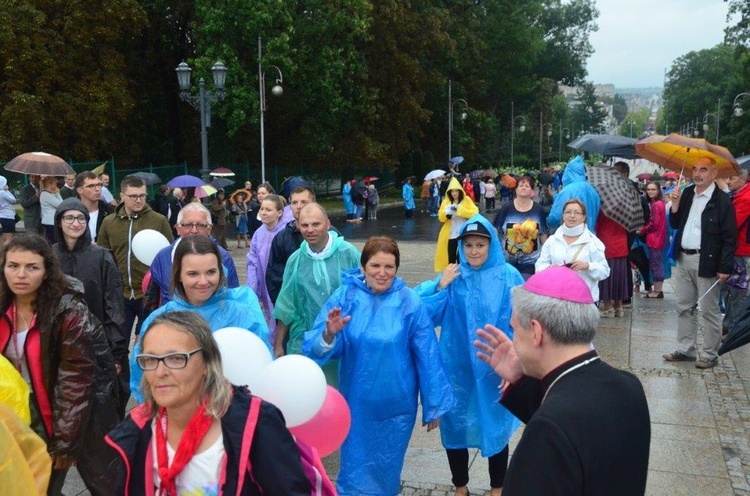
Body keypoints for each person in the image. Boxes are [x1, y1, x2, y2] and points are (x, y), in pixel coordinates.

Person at [473, 266, 650, 495]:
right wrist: (521, 379)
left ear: (536, 332)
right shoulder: (630, 385)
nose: (513, 341)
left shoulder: (547, 429)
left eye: (514, 330)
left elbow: (563, 426)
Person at [303, 236, 455, 496]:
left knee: (386, 471)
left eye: (389, 267)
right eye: (375, 266)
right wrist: (329, 333)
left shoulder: (409, 302)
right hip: (357, 404)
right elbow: (314, 349)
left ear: (397, 269)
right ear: (363, 267)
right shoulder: (346, 296)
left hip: (396, 407)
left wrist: (434, 404)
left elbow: (427, 353)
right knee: (353, 470)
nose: (382, 273)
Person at [108, 311, 312, 494]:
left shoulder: (255, 423)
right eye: (151, 360)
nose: (160, 372)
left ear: (207, 362)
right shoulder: (137, 429)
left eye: (176, 358)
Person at [0, 235, 120, 495]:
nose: (21, 274)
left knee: (44, 486)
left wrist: (65, 442)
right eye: (13, 266)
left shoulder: (68, 313)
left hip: (52, 415)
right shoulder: (2, 306)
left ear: (46, 272)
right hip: (10, 414)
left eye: (32, 267)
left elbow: (74, 380)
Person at [416, 217, 523, 496]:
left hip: (495, 367)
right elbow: (420, 311)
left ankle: (497, 487)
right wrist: (439, 284)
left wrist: (515, 362)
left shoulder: (508, 276)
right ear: (461, 247)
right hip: (457, 366)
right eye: (469, 245)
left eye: (480, 245)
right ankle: (460, 486)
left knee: (496, 426)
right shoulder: (454, 276)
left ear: (491, 246)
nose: (474, 251)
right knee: (455, 426)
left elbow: (521, 320)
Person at [131, 235, 269, 402]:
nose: (203, 281)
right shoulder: (160, 320)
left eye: (211, 272)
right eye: (193, 274)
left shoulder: (242, 315)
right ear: (179, 275)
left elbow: (262, 367)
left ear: (220, 271)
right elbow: (143, 377)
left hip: (232, 415)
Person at [52, 198, 130, 417]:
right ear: (59, 222)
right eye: (69, 218)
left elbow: (114, 305)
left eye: (81, 218)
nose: (75, 223)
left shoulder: (102, 257)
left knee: (103, 404)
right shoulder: (50, 257)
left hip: (99, 343)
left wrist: (116, 353)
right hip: (62, 342)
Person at [273, 203, 360, 385]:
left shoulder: (348, 253)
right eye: (304, 225)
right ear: (298, 226)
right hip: (304, 340)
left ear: (328, 224)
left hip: (343, 338)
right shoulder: (296, 260)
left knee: (341, 393)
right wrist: (278, 344)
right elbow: (286, 304)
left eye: (316, 224)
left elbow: (364, 293)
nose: (310, 230)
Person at [663, 157, 737, 369]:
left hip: (708, 261)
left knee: (708, 309)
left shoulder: (721, 200)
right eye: (695, 169)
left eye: (703, 170)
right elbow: (675, 224)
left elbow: (729, 237)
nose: (697, 173)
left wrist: (725, 267)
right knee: (684, 306)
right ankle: (685, 349)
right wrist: (674, 205)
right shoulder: (687, 193)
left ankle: (709, 353)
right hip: (684, 257)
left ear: (714, 174)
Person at [97, 175, 174, 339]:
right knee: (118, 344)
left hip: (150, 294)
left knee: (148, 342)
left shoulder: (159, 220)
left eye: (142, 195)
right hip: (120, 294)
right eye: (133, 196)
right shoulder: (109, 222)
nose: (139, 200)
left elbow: (169, 256)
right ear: (122, 196)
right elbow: (103, 257)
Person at [144, 202, 239, 309]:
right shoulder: (163, 257)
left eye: (200, 225)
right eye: (187, 225)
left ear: (209, 229)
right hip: (172, 321)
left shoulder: (223, 258)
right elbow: (151, 299)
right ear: (177, 228)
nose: (194, 231)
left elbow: (232, 298)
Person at [536, 199, 610, 302]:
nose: (572, 216)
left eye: (577, 213)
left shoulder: (593, 242)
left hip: (583, 300)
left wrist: (587, 266)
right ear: (563, 215)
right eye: (568, 212)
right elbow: (540, 264)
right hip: (556, 298)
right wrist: (549, 268)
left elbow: (604, 271)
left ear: (583, 217)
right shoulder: (552, 240)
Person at [266, 186, 317, 304]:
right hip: (293, 305)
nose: (299, 206)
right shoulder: (281, 239)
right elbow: (273, 277)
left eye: (304, 202)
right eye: (294, 202)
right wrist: (283, 312)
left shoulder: (330, 234)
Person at [247, 194, 288, 339]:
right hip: (265, 285)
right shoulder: (259, 233)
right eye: (262, 209)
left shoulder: (286, 234)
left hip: (282, 286)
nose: (263, 212)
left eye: (268, 210)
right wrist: (253, 289)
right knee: (269, 317)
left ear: (279, 213)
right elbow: (252, 262)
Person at [493, 175, 548, 278]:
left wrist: (547, 255)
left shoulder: (538, 210)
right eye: (521, 185)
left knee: (524, 288)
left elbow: (543, 234)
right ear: (516, 189)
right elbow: (495, 231)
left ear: (531, 190)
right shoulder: (506, 208)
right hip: (507, 261)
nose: (523, 187)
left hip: (531, 262)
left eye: (527, 186)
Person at [724, 168, 750, 332]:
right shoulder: (737, 195)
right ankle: (728, 325)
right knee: (732, 289)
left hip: (743, 250)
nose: (728, 181)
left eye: (731, 178)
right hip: (737, 250)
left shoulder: (746, 197)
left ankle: (736, 328)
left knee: (740, 291)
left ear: (743, 179)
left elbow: (732, 224)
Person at [434, 177, 479, 272]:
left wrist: (460, 210)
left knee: (462, 256)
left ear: (460, 191)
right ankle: (451, 276)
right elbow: (441, 218)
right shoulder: (446, 202)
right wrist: (446, 214)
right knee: (451, 257)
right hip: (450, 234)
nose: (454, 193)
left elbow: (475, 212)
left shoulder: (466, 200)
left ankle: (463, 274)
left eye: (456, 191)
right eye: (452, 191)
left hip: (463, 233)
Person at [547, 155, 601, 231]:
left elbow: (555, 217)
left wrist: (548, 221)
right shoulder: (593, 190)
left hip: (570, 235)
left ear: (568, 171)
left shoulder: (567, 191)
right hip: (589, 235)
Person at [595, 212, 629, 317]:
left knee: (606, 278)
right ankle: (619, 306)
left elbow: (598, 223)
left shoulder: (604, 207)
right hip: (621, 243)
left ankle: (608, 306)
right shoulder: (624, 208)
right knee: (619, 276)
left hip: (606, 242)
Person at [639, 181, 668, 299]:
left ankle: (657, 290)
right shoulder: (660, 203)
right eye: (649, 189)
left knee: (656, 265)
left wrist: (643, 229)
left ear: (658, 191)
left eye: (653, 189)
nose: (650, 192)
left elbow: (654, 224)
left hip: (654, 239)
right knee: (657, 264)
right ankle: (657, 289)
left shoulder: (656, 205)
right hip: (658, 238)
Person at [73, 171, 115, 242]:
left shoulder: (111, 211)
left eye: (99, 185)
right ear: (80, 190)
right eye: (91, 186)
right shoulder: (70, 213)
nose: (97, 189)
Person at [39, 176, 62, 243]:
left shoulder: (49, 194)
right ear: (50, 184)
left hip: (51, 221)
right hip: (50, 222)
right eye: (55, 184)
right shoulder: (46, 194)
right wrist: (58, 193)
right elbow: (60, 205)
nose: (56, 186)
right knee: (53, 241)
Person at [0, 176, 18, 244]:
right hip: (8, 216)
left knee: (5, 236)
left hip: (2, 215)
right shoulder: (3, 193)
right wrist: (7, 191)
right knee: (9, 238)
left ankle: (3, 252)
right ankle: (6, 253)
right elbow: (13, 200)